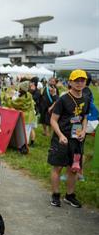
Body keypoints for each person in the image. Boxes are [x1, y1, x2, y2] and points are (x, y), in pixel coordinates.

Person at [48, 70, 89, 208]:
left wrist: (84, 130)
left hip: (77, 140)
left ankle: (70, 196)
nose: (79, 83)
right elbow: (53, 120)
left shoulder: (86, 98)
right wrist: (60, 135)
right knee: (58, 167)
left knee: (74, 168)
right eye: (76, 80)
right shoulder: (63, 99)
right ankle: (55, 194)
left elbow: (84, 118)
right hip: (62, 138)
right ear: (70, 82)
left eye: (82, 80)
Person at [3, 81, 37, 146]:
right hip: (31, 116)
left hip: (25, 117)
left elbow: (12, 104)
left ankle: (24, 146)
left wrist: (7, 97)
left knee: (24, 132)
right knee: (28, 131)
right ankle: (25, 145)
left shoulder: (22, 99)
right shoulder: (29, 95)